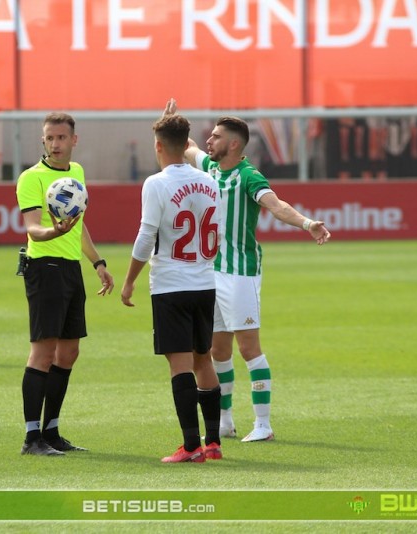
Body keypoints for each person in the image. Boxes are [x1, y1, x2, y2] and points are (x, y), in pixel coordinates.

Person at [167, 99, 331, 443]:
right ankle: (225, 420)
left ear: (234, 144)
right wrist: (169, 122)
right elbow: (188, 148)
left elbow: (277, 205)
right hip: (211, 273)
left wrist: (306, 223)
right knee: (218, 351)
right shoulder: (209, 166)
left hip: (240, 274)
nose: (208, 141)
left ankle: (263, 424)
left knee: (249, 349)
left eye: (216, 137)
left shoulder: (249, 176)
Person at [120, 112, 223, 463]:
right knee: (203, 360)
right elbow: (217, 234)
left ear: (159, 146)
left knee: (179, 365)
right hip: (204, 282)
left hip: (171, 286)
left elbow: (146, 234)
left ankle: (191, 446)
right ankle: (213, 442)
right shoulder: (209, 181)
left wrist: (130, 280)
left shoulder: (156, 183)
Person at [15, 112, 114, 456]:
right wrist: (52, 231)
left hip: (70, 269)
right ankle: (31, 438)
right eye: (49, 138)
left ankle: (52, 432)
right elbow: (32, 228)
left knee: (69, 353)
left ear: (74, 140)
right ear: (42, 140)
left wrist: (97, 262)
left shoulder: (77, 173)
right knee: (43, 353)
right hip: (44, 268)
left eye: (61, 137)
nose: (55, 144)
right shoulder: (31, 178)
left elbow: (80, 224)